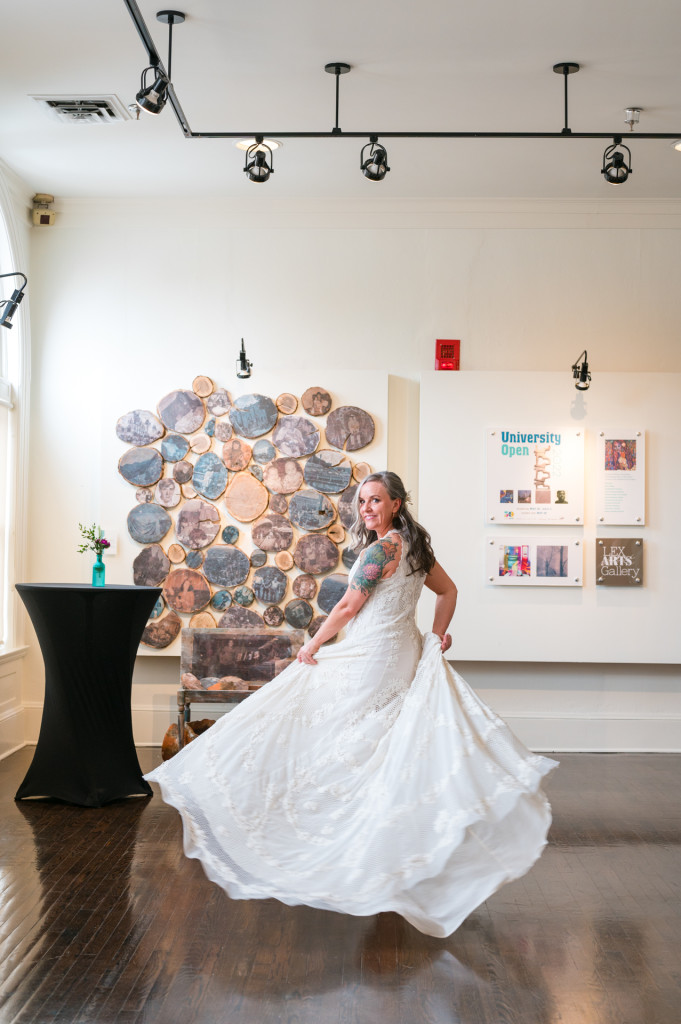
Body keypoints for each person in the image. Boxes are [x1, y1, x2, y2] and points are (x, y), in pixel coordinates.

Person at [145, 471, 557, 938]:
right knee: (377, 742)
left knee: (332, 727)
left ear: (396, 504)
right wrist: (438, 636)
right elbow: (448, 592)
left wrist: (312, 646)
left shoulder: (382, 550)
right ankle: (383, 842)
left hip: (374, 657)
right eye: (362, 502)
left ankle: (334, 832)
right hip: (400, 652)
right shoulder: (416, 549)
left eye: (376, 501)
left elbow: (346, 609)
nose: (366, 509)